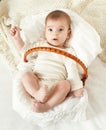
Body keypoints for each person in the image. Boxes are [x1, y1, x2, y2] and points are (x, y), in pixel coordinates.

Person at [10, 10, 84, 113]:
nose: (55, 34)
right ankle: (37, 94)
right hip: (38, 81)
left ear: (68, 34)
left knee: (66, 85)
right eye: (50, 29)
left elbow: (72, 71)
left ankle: (46, 106)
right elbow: (25, 52)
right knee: (26, 75)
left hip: (55, 86)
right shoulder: (41, 45)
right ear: (45, 32)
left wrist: (76, 87)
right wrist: (17, 38)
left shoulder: (68, 52)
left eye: (60, 30)